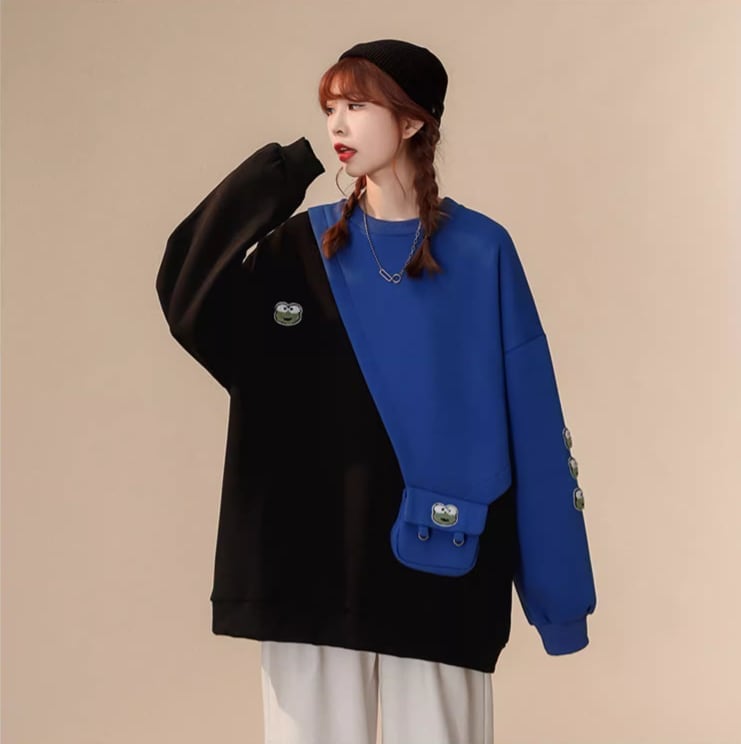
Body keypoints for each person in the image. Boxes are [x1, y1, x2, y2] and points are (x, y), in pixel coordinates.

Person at [156, 38, 597, 744]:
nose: (337, 124)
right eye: (330, 107)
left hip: (441, 567)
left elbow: (535, 429)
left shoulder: (480, 250)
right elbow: (188, 294)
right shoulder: (296, 250)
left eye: (357, 106)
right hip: (306, 573)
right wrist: (281, 174)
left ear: (414, 120)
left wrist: (560, 600)